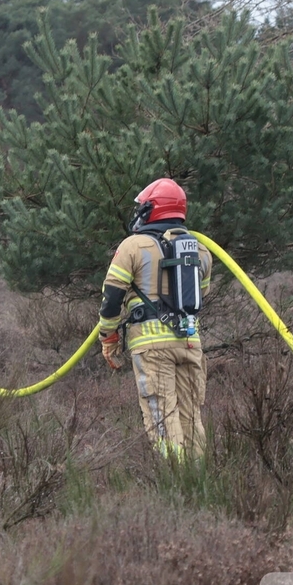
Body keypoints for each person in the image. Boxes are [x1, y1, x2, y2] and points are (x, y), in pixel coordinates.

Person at [97, 178, 213, 460]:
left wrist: (109, 337)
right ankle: (198, 483)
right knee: (190, 418)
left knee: (162, 416)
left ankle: (174, 480)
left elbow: (111, 297)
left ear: (153, 209)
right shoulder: (200, 249)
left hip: (151, 347)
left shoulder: (132, 246)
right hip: (190, 343)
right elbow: (202, 293)